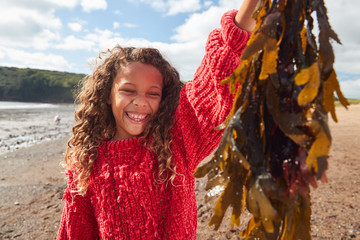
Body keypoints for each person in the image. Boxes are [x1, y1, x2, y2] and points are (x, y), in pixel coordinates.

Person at [57, 0, 257, 239]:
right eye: (128, 90)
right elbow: (75, 232)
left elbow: (217, 79)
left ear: (163, 100)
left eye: (153, 93)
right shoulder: (86, 163)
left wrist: (251, 7)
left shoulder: (176, 142)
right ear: (107, 94)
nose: (141, 102)